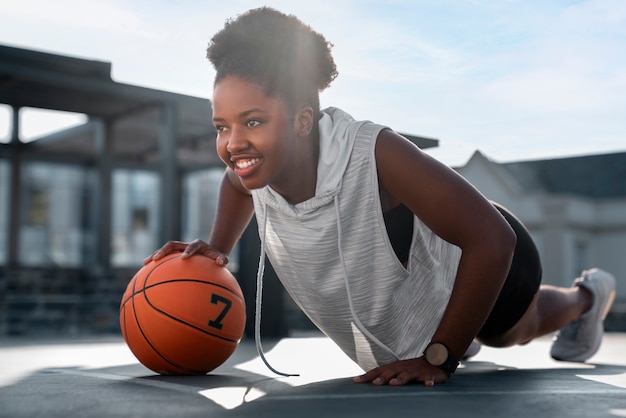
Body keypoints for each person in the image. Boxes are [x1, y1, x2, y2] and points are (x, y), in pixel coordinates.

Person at [144, 7, 617, 386]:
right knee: (483, 334)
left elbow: (492, 240)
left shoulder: (374, 153)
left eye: (252, 121)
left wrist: (439, 356)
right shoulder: (256, 170)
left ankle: (586, 297)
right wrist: (219, 248)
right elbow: (233, 184)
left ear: (303, 121)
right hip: (427, 284)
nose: (232, 144)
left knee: (514, 331)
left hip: (488, 258)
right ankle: (482, 322)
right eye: (221, 126)